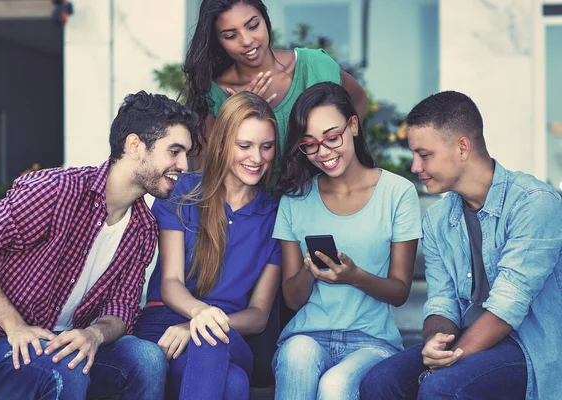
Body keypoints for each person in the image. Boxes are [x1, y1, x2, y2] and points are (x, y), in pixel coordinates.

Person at [0, 91, 199, 400]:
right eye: (175, 151)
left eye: (186, 154)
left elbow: (123, 307)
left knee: (148, 359)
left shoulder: (143, 228)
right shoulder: (57, 190)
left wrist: (94, 333)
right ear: (135, 146)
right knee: (67, 367)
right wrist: (15, 326)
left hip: (68, 344)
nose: (183, 164)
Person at [359, 91, 562, 400]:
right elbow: (441, 301)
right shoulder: (439, 218)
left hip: (530, 347)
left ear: (462, 147)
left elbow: (507, 307)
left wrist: (444, 364)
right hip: (468, 337)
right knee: (379, 382)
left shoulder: (534, 203)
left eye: (424, 154)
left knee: (441, 388)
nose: (414, 166)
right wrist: (433, 343)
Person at [271, 82, 422, 399]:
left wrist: (355, 276)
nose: (323, 153)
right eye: (309, 144)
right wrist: (310, 270)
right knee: (297, 356)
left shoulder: (397, 192)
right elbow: (291, 298)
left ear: (353, 125)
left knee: (336, 385)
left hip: (372, 341)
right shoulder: (295, 200)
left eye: (332, 137)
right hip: (307, 335)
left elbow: (399, 292)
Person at [133, 91, 282, 400]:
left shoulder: (276, 215)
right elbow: (171, 282)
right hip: (165, 325)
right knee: (234, 384)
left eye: (266, 147)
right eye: (245, 146)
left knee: (209, 340)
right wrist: (198, 314)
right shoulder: (182, 191)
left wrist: (199, 325)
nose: (257, 158)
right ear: (223, 143)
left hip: (230, 332)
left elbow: (258, 315)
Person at [184, 0, 368, 173]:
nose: (247, 40)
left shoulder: (314, 66)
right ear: (218, 41)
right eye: (230, 35)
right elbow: (203, 169)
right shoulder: (215, 92)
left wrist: (338, 156)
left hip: (320, 199)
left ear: (265, 20)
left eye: (253, 26)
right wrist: (240, 112)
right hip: (256, 205)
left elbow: (358, 99)